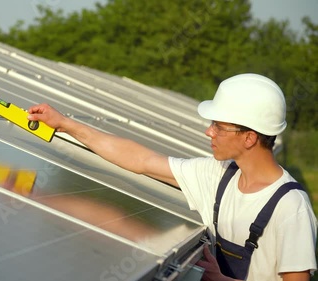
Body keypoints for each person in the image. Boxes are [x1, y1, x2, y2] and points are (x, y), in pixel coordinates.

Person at [27, 73, 317, 281]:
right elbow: (141, 160)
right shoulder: (218, 177)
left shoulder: (290, 208)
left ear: (250, 137)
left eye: (219, 126)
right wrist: (65, 124)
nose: (209, 132)